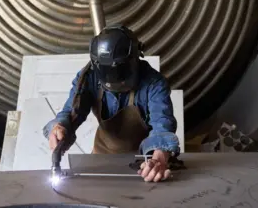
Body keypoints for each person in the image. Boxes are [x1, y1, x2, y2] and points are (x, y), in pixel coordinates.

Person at [43, 24, 180, 182]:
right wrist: (60, 127)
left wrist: (160, 157)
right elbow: (72, 112)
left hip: (143, 163)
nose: (116, 82)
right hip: (101, 158)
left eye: (120, 73)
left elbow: (162, 124)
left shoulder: (154, 83)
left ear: (135, 58)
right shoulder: (89, 77)